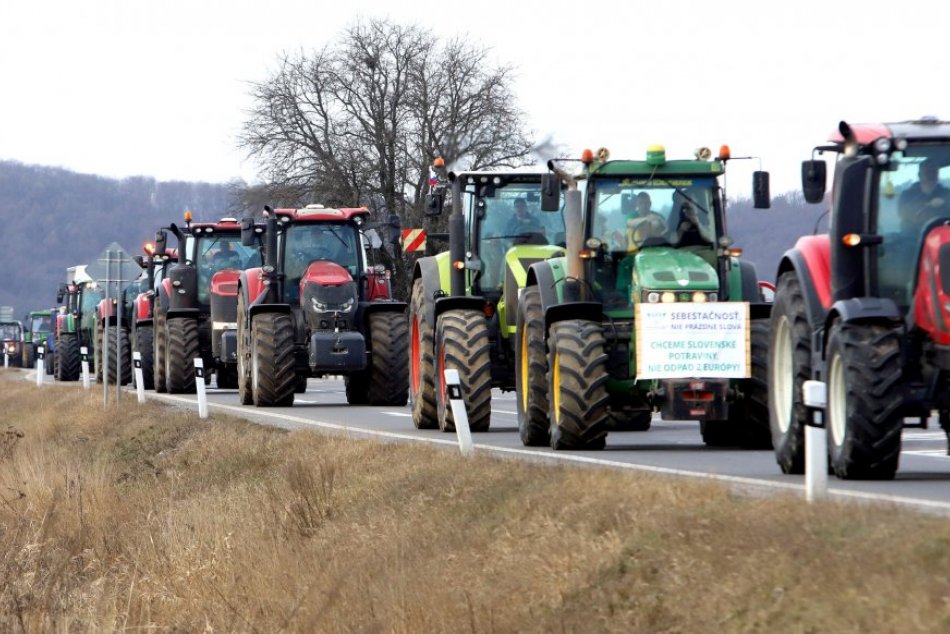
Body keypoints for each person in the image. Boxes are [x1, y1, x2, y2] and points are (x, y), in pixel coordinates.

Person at [899, 159, 949, 230]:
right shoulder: (907, 195)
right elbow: (903, 212)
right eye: (928, 173)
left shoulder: (946, 193)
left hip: (940, 234)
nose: (931, 176)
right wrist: (928, 204)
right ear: (919, 175)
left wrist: (944, 202)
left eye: (934, 172)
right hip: (912, 236)